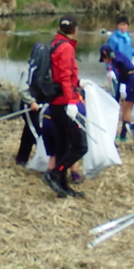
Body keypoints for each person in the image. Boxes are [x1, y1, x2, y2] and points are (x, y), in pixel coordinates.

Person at [45, 16, 87, 198]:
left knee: (63, 146)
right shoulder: (66, 47)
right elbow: (64, 76)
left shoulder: (56, 43)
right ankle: (55, 173)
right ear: (75, 29)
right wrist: (71, 101)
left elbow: (63, 75)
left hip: (55, 102)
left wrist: (78, 82)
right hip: (63, 103)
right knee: (80, 145)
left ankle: (62, 186)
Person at [100, 43, 134, 143]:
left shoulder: (117, 60)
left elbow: (122, 74)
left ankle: (125, 134)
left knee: (127, 108)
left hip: (132, 81)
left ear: (105, 54)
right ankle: (122, 135)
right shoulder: (115, 57)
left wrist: (122, 89)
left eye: (103, 59)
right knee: (124, 107)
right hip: (130, 81)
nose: (104, 61)